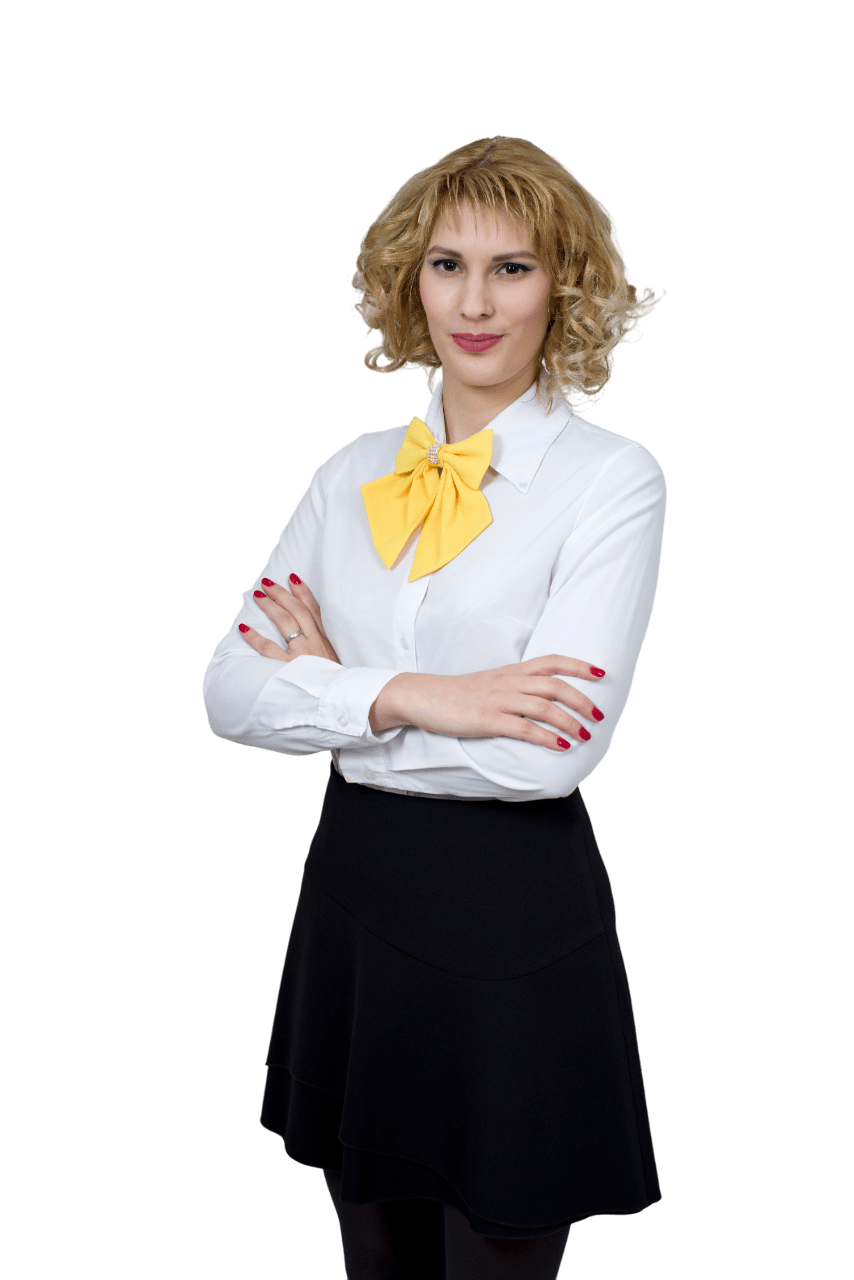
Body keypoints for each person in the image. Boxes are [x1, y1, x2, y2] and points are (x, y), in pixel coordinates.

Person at [202, 135, 668, 1280]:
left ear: (562, 286)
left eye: (512, 267)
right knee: (372, 1258)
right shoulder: (348, 473)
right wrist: (430, 697)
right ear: (408, 280)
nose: (473, 302)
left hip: (513, 923)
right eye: (446, 264)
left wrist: (335, 702)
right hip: (353, 904)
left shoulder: (611, 480)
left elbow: (546, 757)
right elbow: (226, 690)